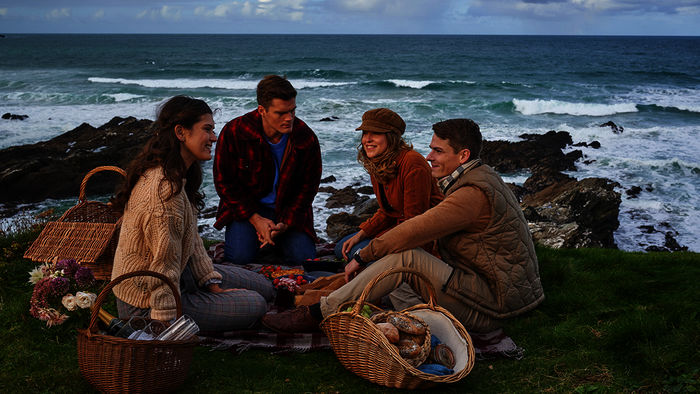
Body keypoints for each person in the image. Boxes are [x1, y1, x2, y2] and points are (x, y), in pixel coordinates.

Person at [262, 118, 544, 334]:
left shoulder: (471, 194)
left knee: (403, 257)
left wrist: (364, 254)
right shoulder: (481, 176)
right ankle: (390, 316)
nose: (429, 156)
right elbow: (391, 213)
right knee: (393, 274)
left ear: (463, 156)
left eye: (437, 150)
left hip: (492, 308)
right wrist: (366, 239)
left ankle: (318, 313)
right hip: (492, 290)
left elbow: (414, 227)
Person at [111, 96, 274, 332]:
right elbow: (163, 266)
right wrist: (165, 323)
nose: (214, 138)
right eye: (207, 130)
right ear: (180, 132)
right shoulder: (163, 192)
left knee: (264, 286)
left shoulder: (177, 175)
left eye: (213, 130)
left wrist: (210, 281)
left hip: (181, 275)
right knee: (256, 303)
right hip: (147, 304)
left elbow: (191, 238)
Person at [213, 75, 322, 265]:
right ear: (262, 110)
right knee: (240, 258)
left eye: (292, 111)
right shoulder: (235, 132)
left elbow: (308, 188)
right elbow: (224, 183)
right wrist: (256, 220)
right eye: (281, 113)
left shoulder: (305, 137)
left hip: (287, 210)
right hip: (248, 209)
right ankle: (263, 241)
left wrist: (286, 223)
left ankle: (275, 241)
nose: (289, 118)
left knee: (305, 260)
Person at [334, 108, 442, 262]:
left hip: (419, 239)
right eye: (365, 133)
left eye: (376, 133)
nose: (367, 139)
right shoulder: (378, 163)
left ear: (391, 137)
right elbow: (388, 211)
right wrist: (362, 234)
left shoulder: (412, 163)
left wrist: (374, 248)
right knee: (342, 247)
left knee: (359, 255)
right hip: (396, 229)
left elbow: (413, 222)